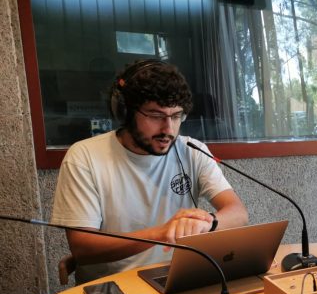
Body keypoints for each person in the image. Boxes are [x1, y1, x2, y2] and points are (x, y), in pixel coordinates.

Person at [51, 60, 248, 282]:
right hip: (116, 289)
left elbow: (238, 213)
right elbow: (83, 248)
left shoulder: (192, 150)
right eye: (155, 116)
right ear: (126, 112)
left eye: (176, 116)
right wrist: (161, 233)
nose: (168, 129)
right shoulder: (84, 157)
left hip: (179, 278)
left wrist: (208, 222)